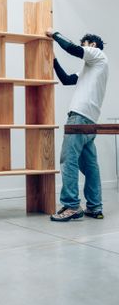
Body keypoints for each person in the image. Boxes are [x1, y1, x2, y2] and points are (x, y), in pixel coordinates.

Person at [46, 28, 109, 222]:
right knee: (90, 167)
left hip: (79, 117)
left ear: (93, 45)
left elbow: (72, 48)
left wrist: (54, 34)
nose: (83, 47)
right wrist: (53, 59)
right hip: (89, 120)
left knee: (69, 160)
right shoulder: (89, 68)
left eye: (85, 44)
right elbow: (66, 80)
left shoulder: (98, 55)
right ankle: (94, 207)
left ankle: (72, 206)